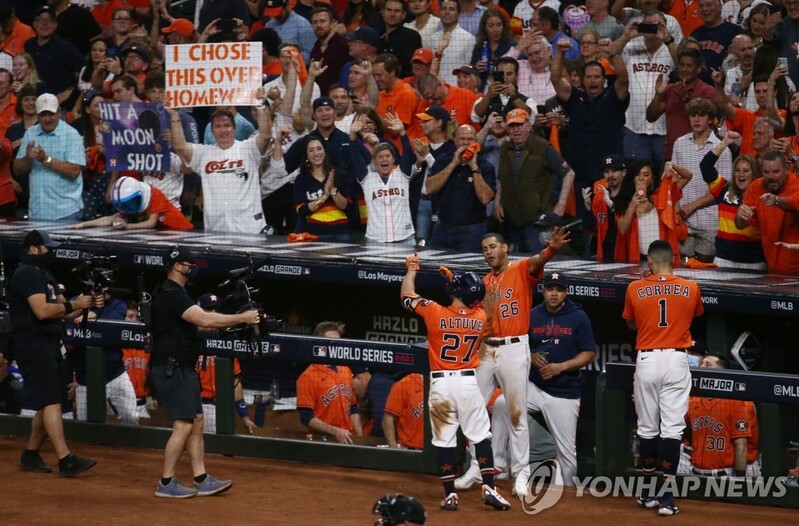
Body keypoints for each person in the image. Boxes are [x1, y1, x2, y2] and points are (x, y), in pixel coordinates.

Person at [456, 228, 569, 498]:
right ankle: (477, 467)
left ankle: (521, 474)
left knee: (516, 414)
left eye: (493, 246)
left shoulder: (519, 269)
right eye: (485, 249)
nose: (489, 252)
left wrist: (551, 249)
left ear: (505, 247)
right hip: (487, 350)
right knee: (472, 409)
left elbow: (537, 261)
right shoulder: (483, 283)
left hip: (514, 348)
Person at [401, 253, 511, 511]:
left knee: (445, 442)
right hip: (467, 384)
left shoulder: (434, 311)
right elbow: (478, 301)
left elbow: (406, 295)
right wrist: (454, 281)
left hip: (441, 386)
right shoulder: (479, 317)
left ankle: (450, 495)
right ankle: (489, 488)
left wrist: (412, 270)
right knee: (480, 437)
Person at [150, 244, 260, 498]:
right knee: (184, 424)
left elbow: (199, 325)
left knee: (197, 420)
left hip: (182, 367)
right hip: (173, 369)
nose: (194, 268)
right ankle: (166, 482)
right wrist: (242, 317)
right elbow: (204, 319)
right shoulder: (172, 294)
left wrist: (233, 321)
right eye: (190, 264)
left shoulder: (177, 292)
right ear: (177, 266)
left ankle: (200, 478)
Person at [622, 239, 704, 516]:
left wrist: (647, 286)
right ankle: (667, 497)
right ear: (674, 260)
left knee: (647, 428)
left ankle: (647, 491)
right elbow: (694, 315)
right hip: (676, 358)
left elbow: (631, 323)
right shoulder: (691, 287)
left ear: (650, 262)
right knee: (672, 430)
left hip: (647, 358)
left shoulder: (635, 287)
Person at [10, 229, 96, 476]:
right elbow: (42, 311)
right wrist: (74, 304)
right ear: (33, 249)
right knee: (50, 401)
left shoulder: (45, 273)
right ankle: (66, 459)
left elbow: (64, 310)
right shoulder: (25, 273)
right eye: (48, 247)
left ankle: (30, 454)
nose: (52, 252)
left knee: (50, 400)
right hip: (32, 343)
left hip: (49, 343)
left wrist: (86, 303)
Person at [524, 271, 596, 486]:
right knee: (501, 405)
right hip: (535, 388)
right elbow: (519, 345)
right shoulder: (533, 314)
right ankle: (500, 469)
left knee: (566, 455)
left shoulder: (578, 316)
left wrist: (561, 367)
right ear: (543, 290)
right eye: (550, 289)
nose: (554, 294)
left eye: (559, 290)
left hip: (564, 392)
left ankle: (568, 495)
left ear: (566, 292)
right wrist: (530, 355)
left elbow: (589, 353)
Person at [169, 106, 272, 234]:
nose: (223, 130)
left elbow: (266, 135)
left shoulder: (248, 148)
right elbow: (180, 145)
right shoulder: (204, 153)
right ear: (212, 131)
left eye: (227, 125)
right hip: (216, 229)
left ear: (234, 128)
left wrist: (261, 106)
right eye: (218, 126)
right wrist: (174, 114)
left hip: (249, 227)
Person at [494, 108, 574, 254]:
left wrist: (561, 205)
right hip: (512, 221)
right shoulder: (504, 149)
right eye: (512, 126)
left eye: (520, 125)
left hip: (537, 223)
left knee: (537, 262)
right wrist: (498, 201)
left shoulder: (542, 147)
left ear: (528, 126)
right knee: (516, 263)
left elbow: (569, 173)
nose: (516, 130)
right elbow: (502, 177)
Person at [677, 353, 761, 478]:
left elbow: (741, 445)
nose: (702, 367)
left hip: (728, 472)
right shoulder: (693, 400)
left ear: (721, 372)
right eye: (701, 363)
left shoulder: (736, 402)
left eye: (708, 364)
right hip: (696, 470)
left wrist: (738, 481)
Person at [698, 131, 766, 269]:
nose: (741, 174)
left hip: (754, 264)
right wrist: (724, 143)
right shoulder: (723, 189)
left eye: (746, 171)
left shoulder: (763, 197)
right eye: (737, 170)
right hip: (724, 261)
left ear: (754, 175)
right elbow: (705, 166)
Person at [13, 93, 85, 221]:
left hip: (66, 212)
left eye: (51, 114)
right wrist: (28, 158)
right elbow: (18, 170)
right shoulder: (30, 133)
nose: (47, 119)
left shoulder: (72, 134)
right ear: (37, 115)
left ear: (59, 113)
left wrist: (45, 159)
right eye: (43, 114)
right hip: (37, 211)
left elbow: (74, 171)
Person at [194, 293, 257, 435]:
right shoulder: (188, 340)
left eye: (216, 309)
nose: (214, 313)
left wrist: (244, 416)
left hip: (221, 407)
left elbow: (235, 383)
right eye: (208, 310)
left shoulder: (225, 342)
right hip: (194, 407)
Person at [426, 124, 496, 252]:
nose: (466, 143)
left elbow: (485, 198)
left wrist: (474, 167)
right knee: (435, 265)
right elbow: (430, 188)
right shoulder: (443, 160)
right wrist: (453, 164)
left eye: (470, 139)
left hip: (472, 232)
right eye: (462, 139)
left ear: (476, 141)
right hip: (442, 229)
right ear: (455, 140)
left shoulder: (485, 166)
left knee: (469, 265)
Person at [350, 113, 417, 244]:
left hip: (405, 238)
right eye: (380, 157)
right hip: (376, 240)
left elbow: (408, 152)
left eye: (387, 156)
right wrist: (352, 135)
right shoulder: (367, 179)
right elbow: (354, 157)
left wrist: (402, 133)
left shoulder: (402, 175)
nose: (384, 159)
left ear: (393, 159)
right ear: (374, 161)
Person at [296, 321, 362, 443]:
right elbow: (306, 418)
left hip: (348, 437)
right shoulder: (307, 377)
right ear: (320, 344)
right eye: (332, 342)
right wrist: (335, 431)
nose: (336, 346)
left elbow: (353, 408)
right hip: (323, 440)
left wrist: (360, 438)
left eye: (338, 342)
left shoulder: (345, 370)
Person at [734, 151, 799, 275]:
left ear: (786, 169)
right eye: (766, 172)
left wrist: (777, 200)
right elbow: (740, 224)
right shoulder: (756, 187)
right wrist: (740, 215)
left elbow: (795, 202)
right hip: (773, 270)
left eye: (776, 171)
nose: (771, 177)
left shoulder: (796, 183)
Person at [69, 176, 193, 231]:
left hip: (180, 230)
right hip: (163, 233)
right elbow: (111, 218)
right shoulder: (130, 203)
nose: (127, 208)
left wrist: (127, 226)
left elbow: (151, 223)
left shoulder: (154, 194)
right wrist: (84, 224)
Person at [584, 154, 627, 261]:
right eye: (607, 172)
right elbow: (591, 228)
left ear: (624, 172)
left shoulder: (630, 196)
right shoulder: (599, 198)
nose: (610, 175)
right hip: (605, 254)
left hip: (627, 252)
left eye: (614, 171)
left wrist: (611, 205)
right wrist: (588, 208)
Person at [382, 373, 425, 450]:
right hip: (410, 450)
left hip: (437, 450)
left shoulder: (442, 384)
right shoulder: (403, 385)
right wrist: (393, 448)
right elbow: (387, 419)